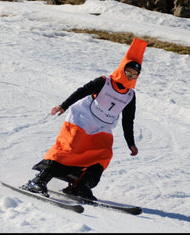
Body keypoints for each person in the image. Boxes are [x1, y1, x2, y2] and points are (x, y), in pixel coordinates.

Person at [22, 38, 148, 200]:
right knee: (69, 149)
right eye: (127, 72)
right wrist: (63, 106)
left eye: (134, 75)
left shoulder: (130, 95)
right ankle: (38, 181)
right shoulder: (104, 82)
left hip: (102, 128)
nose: (130, 77)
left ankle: (81, 185)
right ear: (121, 69)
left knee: (103, 155)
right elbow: (81, 91)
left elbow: (128, 120)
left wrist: (131, 143)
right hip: (80, 120)